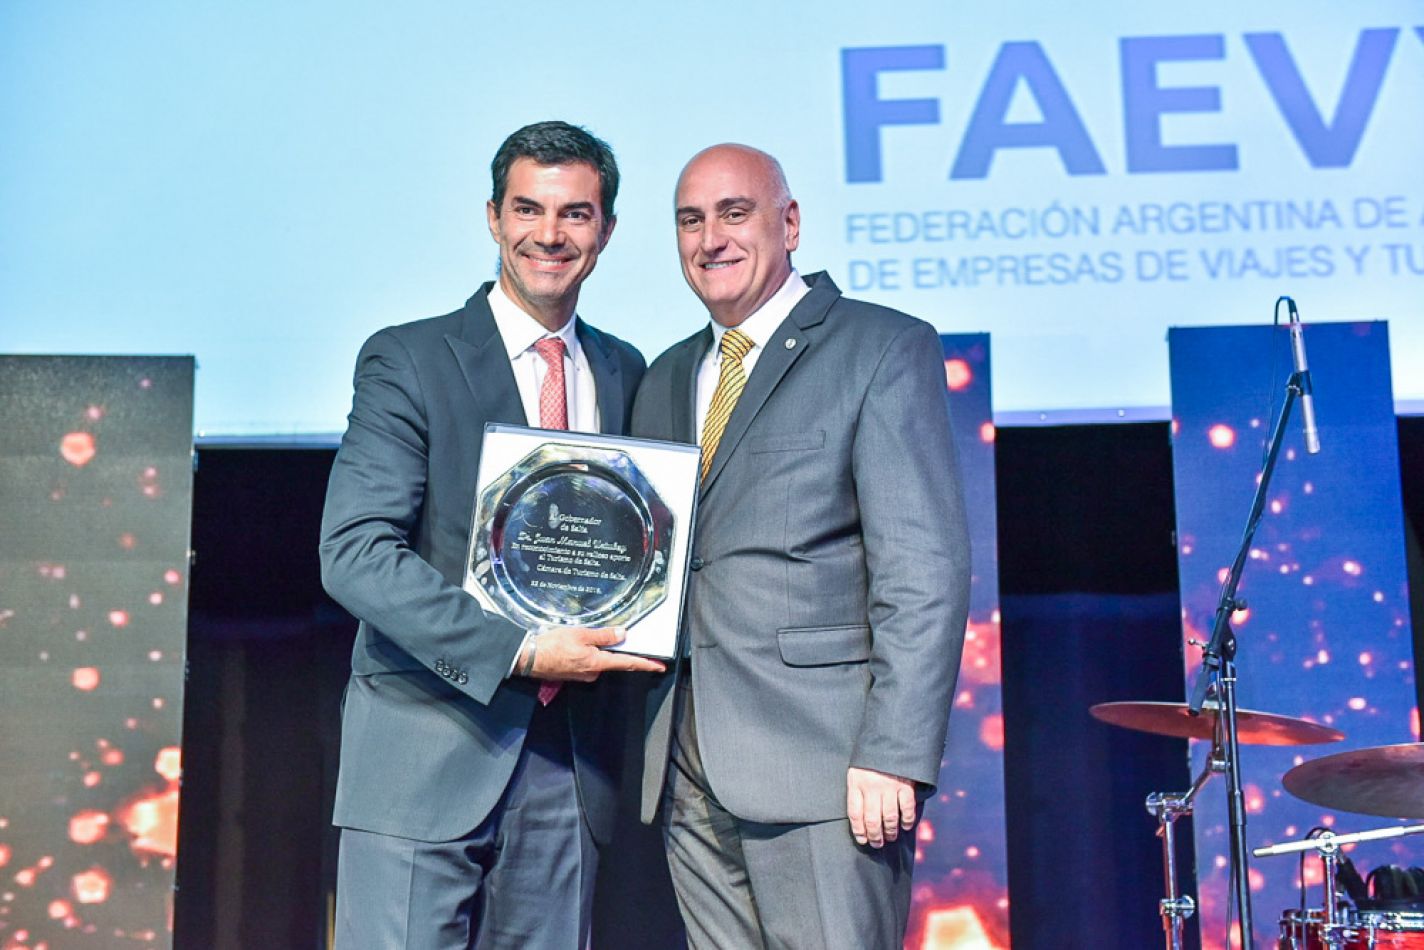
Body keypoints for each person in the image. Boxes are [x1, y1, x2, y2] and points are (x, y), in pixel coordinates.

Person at [319, 120, 664, 949]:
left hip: (568, 770)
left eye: (575, 213)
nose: (550, 234)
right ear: (492, 217)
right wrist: (519, 650)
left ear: (607, 230)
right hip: (421, 757)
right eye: (528, 209)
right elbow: (356, 554)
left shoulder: (627, 370)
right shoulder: (410, 359)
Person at [631, 144, 971, 949]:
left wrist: (894, 751)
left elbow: (924, 570)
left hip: (827, 770)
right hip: (684, 767)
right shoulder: (666, 375)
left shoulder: (879, 347)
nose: (710, 238)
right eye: (690, 220)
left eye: (734, 213)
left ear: (789, 224)